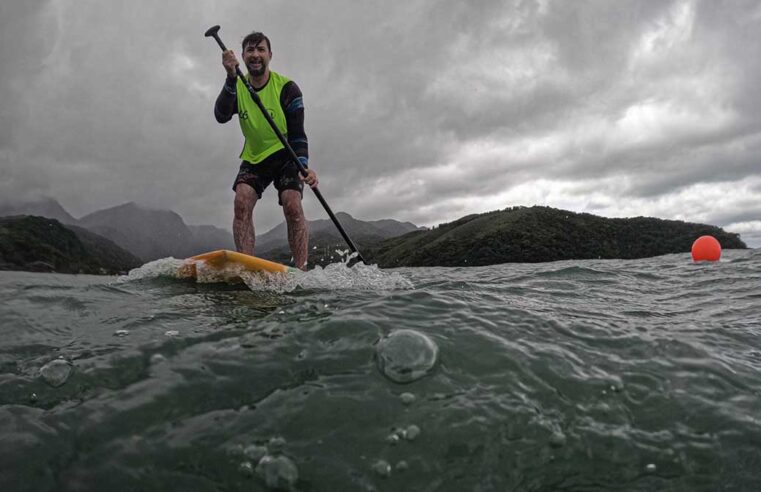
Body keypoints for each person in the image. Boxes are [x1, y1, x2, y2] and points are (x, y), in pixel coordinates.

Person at [214, 31, 318, 270]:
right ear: (242, 57)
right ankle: (247, 268)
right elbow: (220, 116)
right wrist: (230, 78)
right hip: (254, 156)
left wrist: (303, 164)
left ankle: (301, 269)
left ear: (270, 54)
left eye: (261, 49)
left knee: (292, 202)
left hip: (286, 154)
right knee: (241, 200)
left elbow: (298, 134)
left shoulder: (288, 88)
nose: (256, 55)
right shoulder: (237, 85)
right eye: (250, 50)